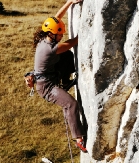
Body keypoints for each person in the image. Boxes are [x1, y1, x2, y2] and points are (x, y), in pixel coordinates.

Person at [33, 0, 87, 153]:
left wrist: (69, 2)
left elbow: (56, 20)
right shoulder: (50, 49)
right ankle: (78, 138)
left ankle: (65, 82)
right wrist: (87, 27)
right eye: (59, 34)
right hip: (46, 87)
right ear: (52, 34)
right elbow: (72, 42)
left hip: (51, 75)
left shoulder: (44, 37)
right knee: (71, 104)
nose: (61, 35)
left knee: (67, 56)